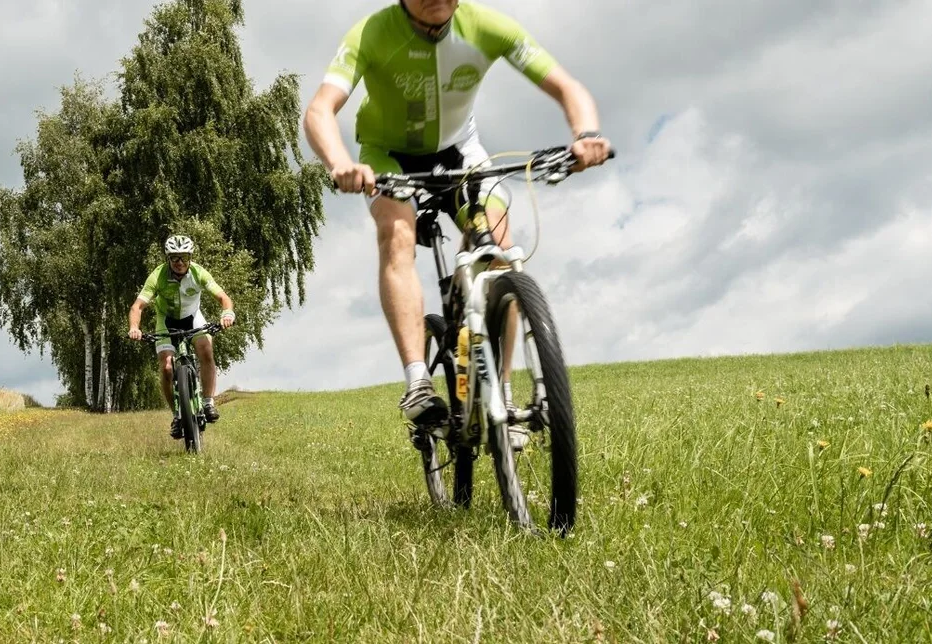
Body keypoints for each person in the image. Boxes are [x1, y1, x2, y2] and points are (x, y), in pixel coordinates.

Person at [301, 0, 610, 430]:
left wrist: (587, 133)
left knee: (500, 251)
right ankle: (417, 381)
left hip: (461, 153)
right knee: (397, 236)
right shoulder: (372, 33)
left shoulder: (486, 26)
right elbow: (319, 110)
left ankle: (499, 390)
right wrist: (339, 163)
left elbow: (566, 86)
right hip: (391, 158)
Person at [127, 236, 235, 439]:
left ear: (190, 257)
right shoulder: (157, 276)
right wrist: (134, 327)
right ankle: (177, 415)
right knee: (167, 367)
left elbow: (223, 298)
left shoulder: (198, 272)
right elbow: (137, 306)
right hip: (166, 321)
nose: (179, 263)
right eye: (174, 258)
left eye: (184, 257)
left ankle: (208, 403)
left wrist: (227, 313)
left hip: (193, 318)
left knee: (206, 349)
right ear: (168, 258)